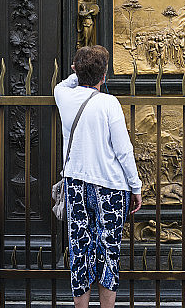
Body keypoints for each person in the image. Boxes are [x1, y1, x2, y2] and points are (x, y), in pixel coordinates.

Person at [54, 46, 142, 308]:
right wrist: (135, 186)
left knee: (80, 252)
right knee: (108, 254)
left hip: (76, 185)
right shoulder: (109, 103)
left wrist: (77, 72)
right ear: (104, 75)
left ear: (76, 71)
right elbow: (124, 150)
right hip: (111, 189)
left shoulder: (63, 96)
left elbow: (65, 83)